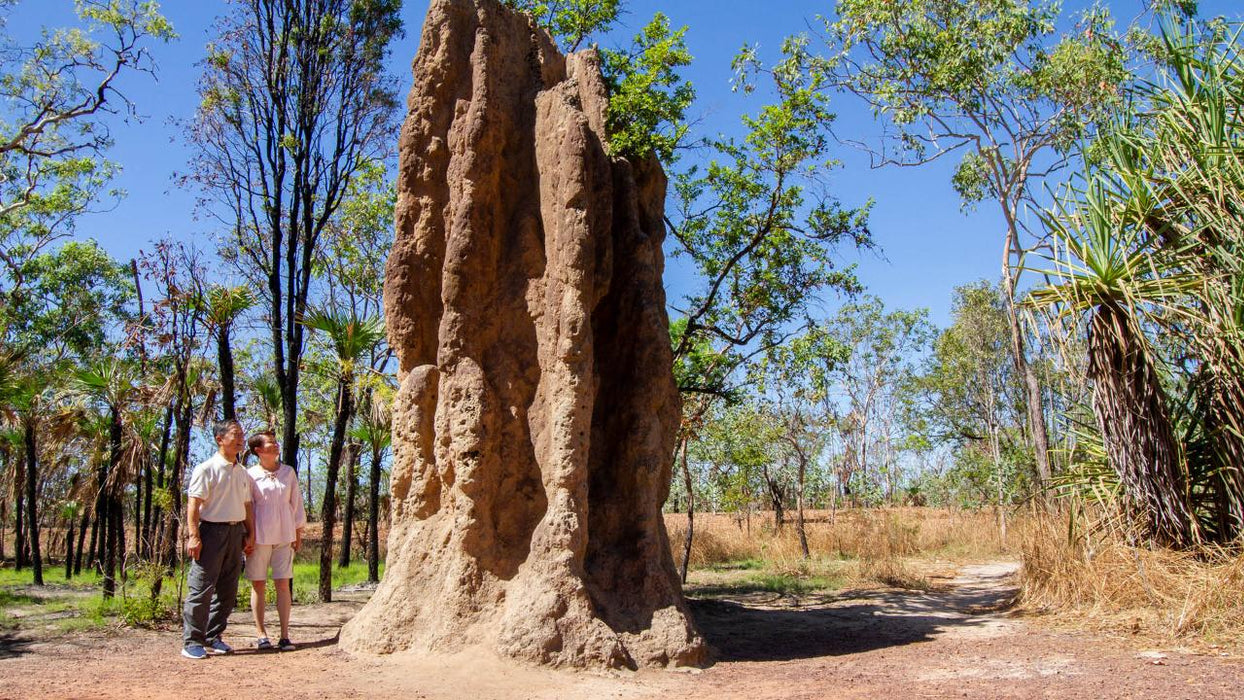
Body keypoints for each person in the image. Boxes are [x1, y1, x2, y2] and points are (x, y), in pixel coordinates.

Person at [182, 419, 256, 660]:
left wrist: (250, 533)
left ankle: (214, 636)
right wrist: (194, 536)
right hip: (211, 532)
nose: (240, 439)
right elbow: (194, 504)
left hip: (236, 534)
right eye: (234, 434)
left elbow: (246, 506)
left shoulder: (242, 472)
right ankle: (192, 641)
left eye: (241, 434)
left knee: (228, 589)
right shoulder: (207, 469)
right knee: (202, 587)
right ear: (219, 439)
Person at [244, 430, 306, 652]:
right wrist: (248, 535)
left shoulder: (288, 472)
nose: (276, 445)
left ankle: (285, 635)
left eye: (276, 441)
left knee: (283, 584)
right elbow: (247, 507)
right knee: (258, 584)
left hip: (284, 535)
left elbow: (296, 504)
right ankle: (261, 634)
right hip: (259, 537)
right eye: (271, 443)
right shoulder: (250, 475)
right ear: (258, 450)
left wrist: (297, 533)